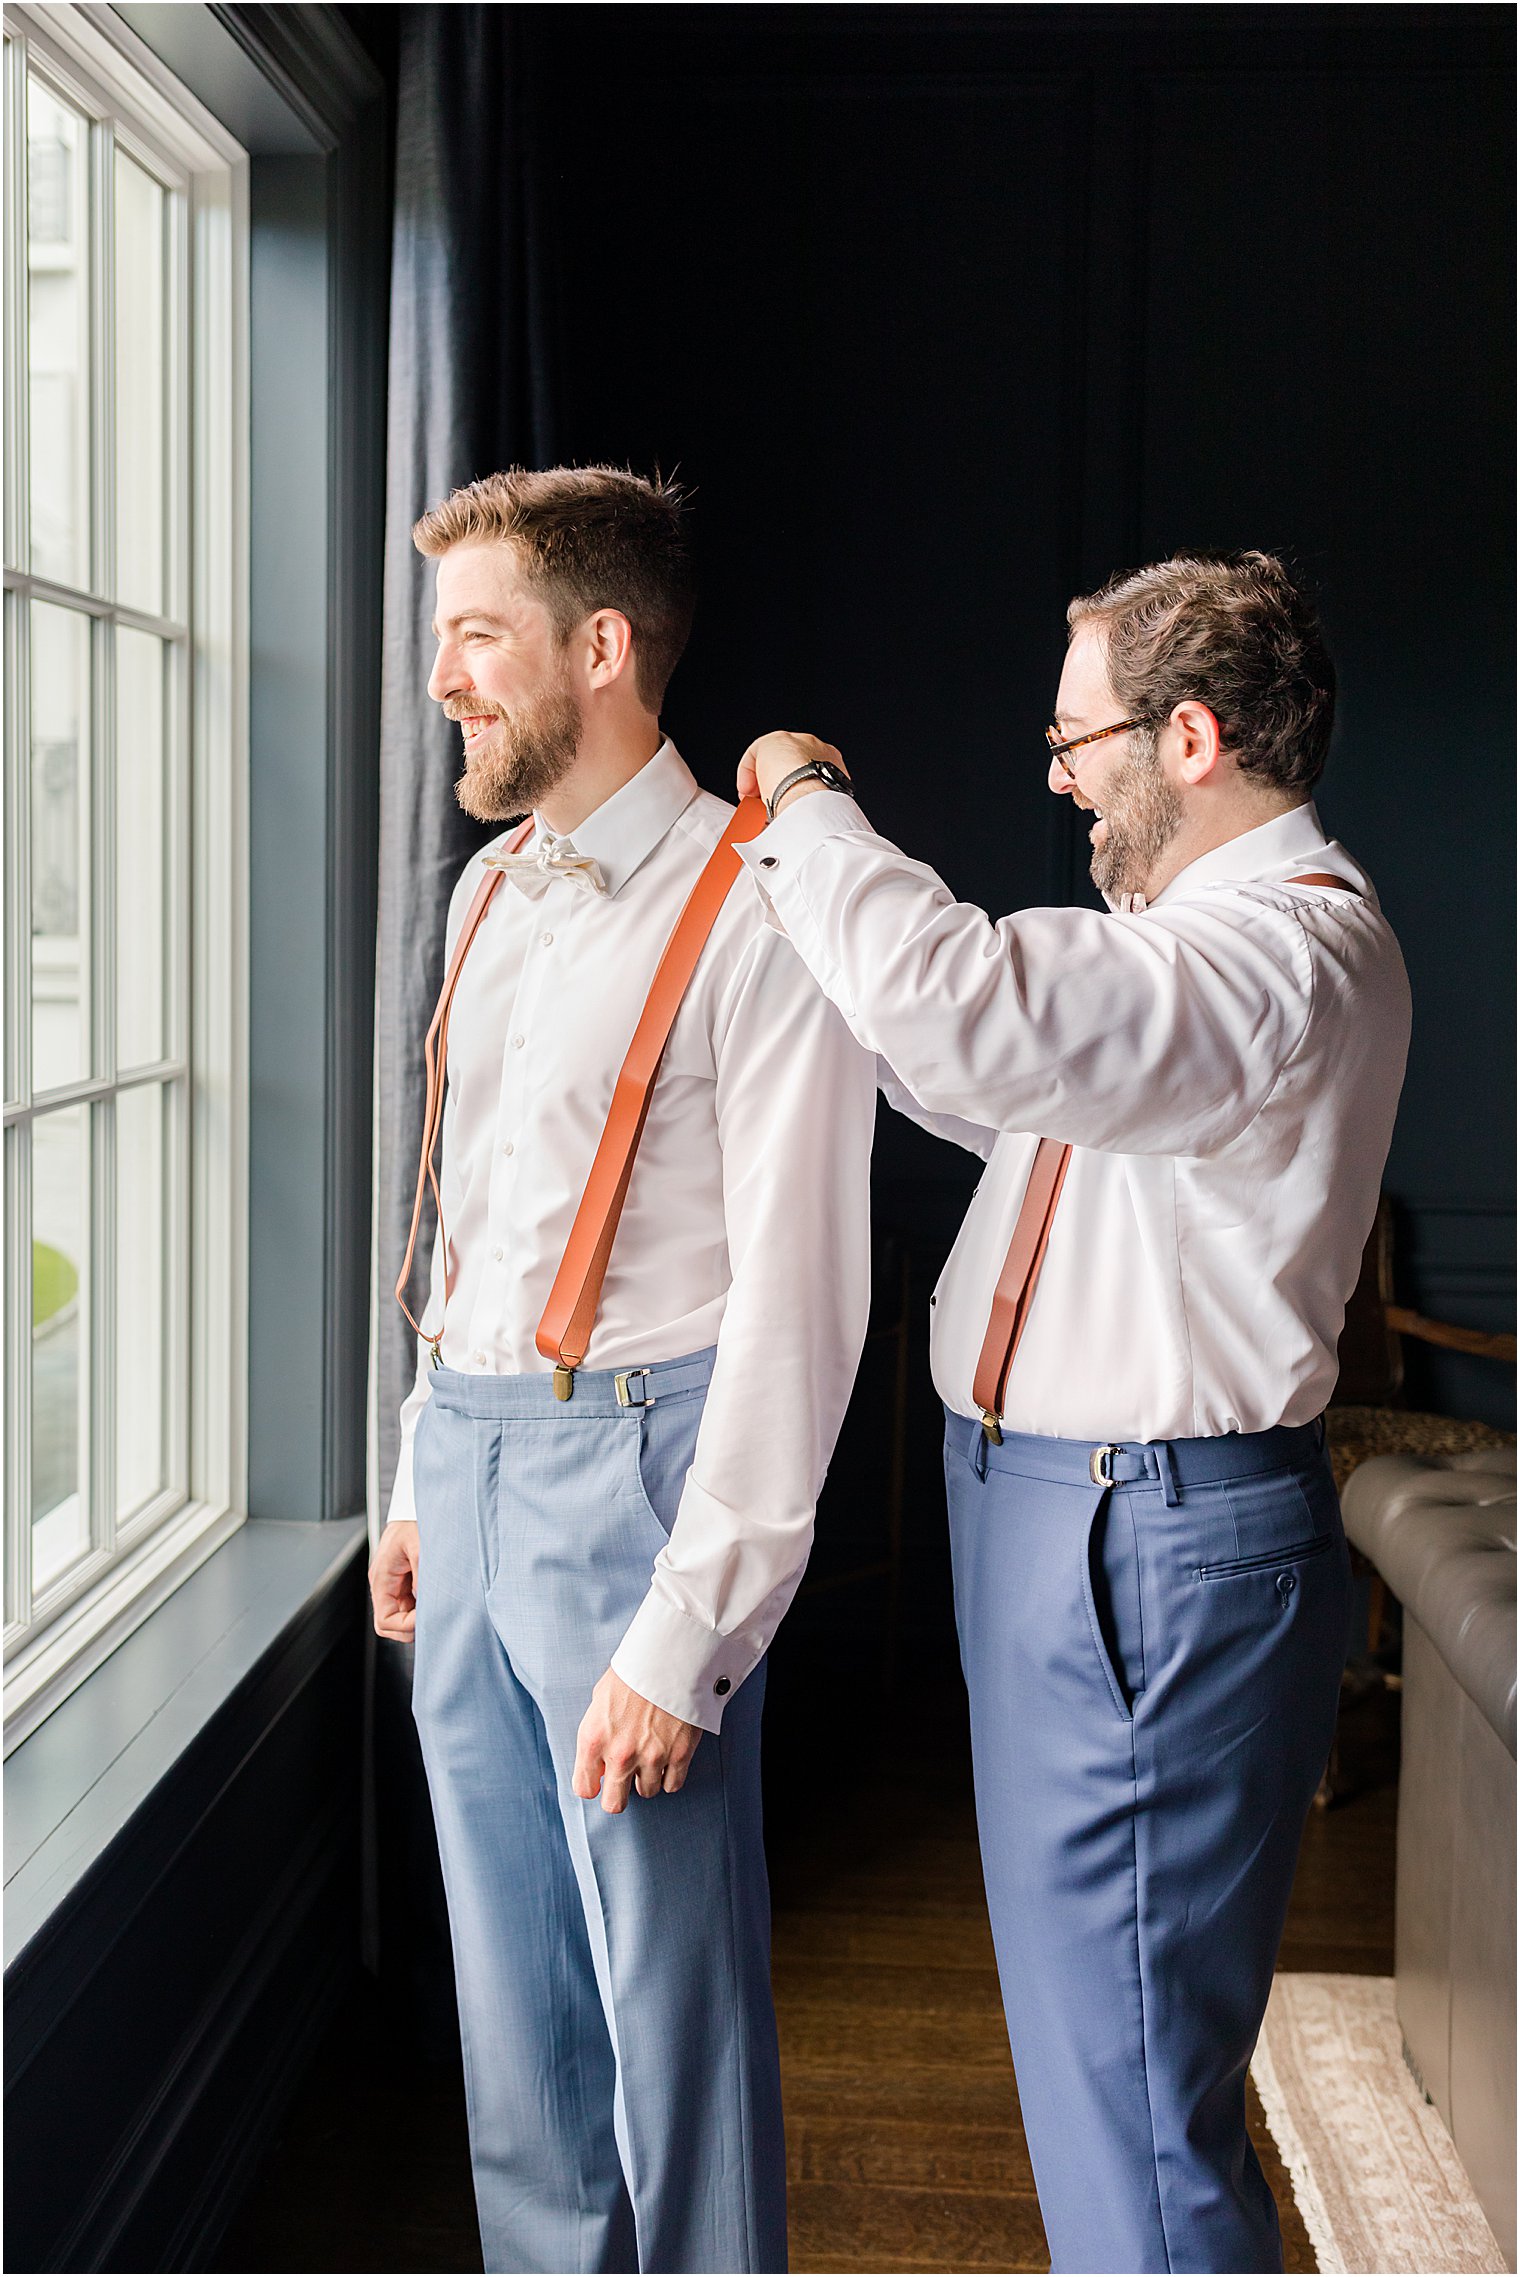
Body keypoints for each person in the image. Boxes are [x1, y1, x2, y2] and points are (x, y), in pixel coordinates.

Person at [733, 552, 1412, 2276]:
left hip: (1143, 1542)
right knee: (1096, 2065)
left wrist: (809, 805)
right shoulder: (1178, 965)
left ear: (1188, 737)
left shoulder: (1281, 955)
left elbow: (980, 1007)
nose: (1056, 772)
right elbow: (987, 1072)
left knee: (1129, 2112)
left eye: (1076, 735)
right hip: (1071, 1525)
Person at [369, 465, 874, 2276]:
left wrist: (691, 1626)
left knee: (675, 2012)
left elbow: (803, 1305)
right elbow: (470, 1223)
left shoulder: (759, 908)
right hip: (481, 1468)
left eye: (477, 636)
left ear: (600, 646)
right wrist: (425, 1476)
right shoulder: (488, 892)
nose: (446, 678)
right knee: (514, 2015)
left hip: (642, 1478)